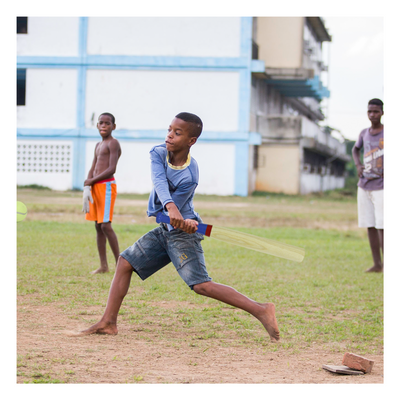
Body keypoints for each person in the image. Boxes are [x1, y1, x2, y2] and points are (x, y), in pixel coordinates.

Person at [73, 112, 280, 342]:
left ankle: (261, 310)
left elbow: (172, 216)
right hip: (166, 229)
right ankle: (108, 323)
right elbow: (160, 182)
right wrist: (172, 209)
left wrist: (182, 220)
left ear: (191, 141)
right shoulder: (158, 153)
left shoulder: (190, 176)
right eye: (169, 129)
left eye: (177, 133)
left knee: (201, 285)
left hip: (183, 234)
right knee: (125, 262)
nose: (169, 136)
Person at [83, 112, 122, 274]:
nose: (103, 126)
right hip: (95, 187)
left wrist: (92, 181)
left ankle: (120, 265)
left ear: (113, 126)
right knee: (98, 226)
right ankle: (103, 266)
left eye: (107, 123)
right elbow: (93, 166)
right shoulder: (98, 145)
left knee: (106, 225)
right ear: (97, 125)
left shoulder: (113, 143)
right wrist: (87, 183)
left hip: (106, 187)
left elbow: (111, 168)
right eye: (101, 123)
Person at [352, 99, 384, 273]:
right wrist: (358, 166)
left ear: (382, 113)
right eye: (370, 111)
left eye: (376, 111)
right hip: (364, 185)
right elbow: (355, 149)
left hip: (382, 186)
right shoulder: (364, 133)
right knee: (370, 224)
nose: (372, 115)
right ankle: (377, 264)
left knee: (383, 225)